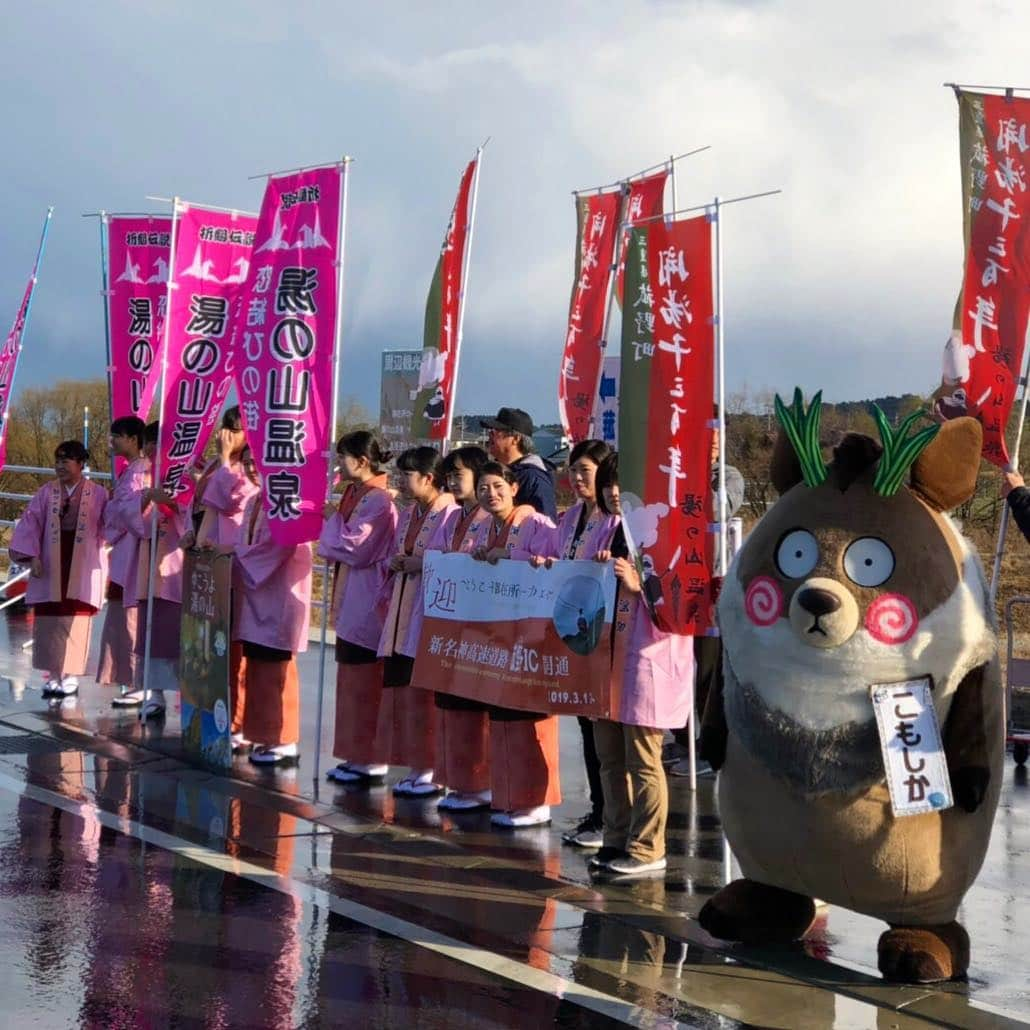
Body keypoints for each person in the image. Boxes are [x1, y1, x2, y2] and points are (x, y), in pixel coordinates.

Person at [590, 451, 695, 877]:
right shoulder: (607, 530)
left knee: (643, 759)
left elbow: (685, 602)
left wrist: (638, 586)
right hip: (607, 656)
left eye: (622, 484)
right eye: (608, 484)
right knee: (610, 758)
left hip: (647, 659)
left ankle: (648, 846)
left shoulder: (665, 533)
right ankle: (616, 837)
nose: (613, 492)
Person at [469, 461, 560, 827]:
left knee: (529, 714)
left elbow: (552, 564)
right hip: (499, 632)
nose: (490, 494)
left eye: (497, 486)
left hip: (530, 633)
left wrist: (512, 557)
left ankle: (536, 799)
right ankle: (507, 794)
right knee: (502, 714)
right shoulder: (485, 526)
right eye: (483, 488)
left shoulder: (536, 523)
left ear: (514, 488)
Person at [544, 439, 616, 850]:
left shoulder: (615, 520)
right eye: (573, 471)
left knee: (604, 731)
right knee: (586, 729)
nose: (576, 479)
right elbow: (558, 559)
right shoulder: (569, 517)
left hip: (602, 633)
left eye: (585, 472)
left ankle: (608, 815)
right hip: (573, 630)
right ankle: (598, 810)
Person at [667, 418, 746, 779]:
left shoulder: (728, 476)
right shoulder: (673, 471)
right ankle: (683, 739)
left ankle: (709, 746)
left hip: (710, 587)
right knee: (676, 666)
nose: (712, 444)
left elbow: (718, 507)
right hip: (676, 584)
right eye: (705, 436)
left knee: (707, 670)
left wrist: (690, 481)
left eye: (717, 438)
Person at [319, 432, 399, 786]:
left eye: (344, 457)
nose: (339, 464)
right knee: (351, 679)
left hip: (367, 597)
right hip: (353, 594)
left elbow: (357, 548)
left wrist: (332, 521)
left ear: (363, 461)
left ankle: (372, 755)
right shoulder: (357, 494)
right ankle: (355, 753)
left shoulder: (378, 500)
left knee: (365, 680)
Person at [378, 447, 455, 796]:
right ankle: (416, 764)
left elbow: (449, 558)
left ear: (428, 478)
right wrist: (399, 561)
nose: (402, 482)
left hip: (428, 611)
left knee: (424, 693)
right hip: (402, 609)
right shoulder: (410, 512)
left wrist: (419, 564)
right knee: (406, 692)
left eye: (408, 475)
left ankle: (431, 767)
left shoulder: (448, 513)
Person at [180, 405, 257, 744]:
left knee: (233, 642)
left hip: (233, 563)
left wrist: (227, 460)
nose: (227, 435)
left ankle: (238, 719)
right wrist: (191, 532)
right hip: (207, 560)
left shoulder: (250, 470)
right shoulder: (216, 464)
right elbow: (201, 504)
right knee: (205, 641)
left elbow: (231, 500)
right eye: (226, 427)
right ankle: (208, 710)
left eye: (235, 430)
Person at [420, 446, 492, 810]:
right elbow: (434, 553)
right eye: (449, 475)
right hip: (449, 620)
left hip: (477, 624)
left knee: (471, 704)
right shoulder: (453, 516)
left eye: (458, 475)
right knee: (450, 702)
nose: (452, 482)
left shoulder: (488, 518)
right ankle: (458, 780)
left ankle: (478, 783)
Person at [232, 447, 313, 765]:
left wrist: (242, 557)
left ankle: (284, 738)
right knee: (257, 666)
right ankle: (264, 736)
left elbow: (281, 546)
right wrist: (238, 553)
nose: (252, 468)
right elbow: (243, 540)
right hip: (256, 594)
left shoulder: (288, 499)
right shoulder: (255, 499)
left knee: (278, 668)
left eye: (257, 461)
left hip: (280, 594)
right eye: (247, 462)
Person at [9, 441, 108, 697]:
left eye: (66, 461)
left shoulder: (97, 493)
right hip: (51, 558)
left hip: (82, 560)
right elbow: (30, 524)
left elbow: (110, 525)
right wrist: (32, 557)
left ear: (81, 464)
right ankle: (53, 673)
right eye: (57, 461)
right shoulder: (46, 492)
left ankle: (72, 674)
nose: (60, 466)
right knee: (50, 618)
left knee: (75, 616)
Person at [127, 421, 186, 720]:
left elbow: (198, 510)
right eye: (148, 443)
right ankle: (153, 692)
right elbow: (122, 512)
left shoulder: (189, 470)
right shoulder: (141, 474)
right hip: (148, 559)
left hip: (178, 560)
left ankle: (189, 695)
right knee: (150, 629)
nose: (151, 449)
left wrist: (175, 505)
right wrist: (144, 500)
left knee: (180, 631)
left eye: (156, 442)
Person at [97, 416, 149, 706]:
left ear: (131, 439)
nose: (112, 441)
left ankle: (138, 680)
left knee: (133, 617)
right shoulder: (132, 471)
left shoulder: (142, 471)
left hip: (135, 552)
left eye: (116, 435)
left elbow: (132, 513)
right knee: (123, 614)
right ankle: (130, 678)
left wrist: (118, 512)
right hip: (125, 550)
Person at [479, 407, 557, 522]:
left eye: (496, 431)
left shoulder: (533, 477)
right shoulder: (495, 472)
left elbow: (546, 525)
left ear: (515, 439)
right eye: (490, 431)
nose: (490, 435)